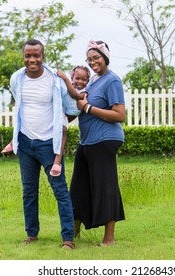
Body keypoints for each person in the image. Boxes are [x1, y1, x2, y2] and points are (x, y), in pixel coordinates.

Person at [9, 39, 80, 249]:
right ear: (23, 57)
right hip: (25, 142)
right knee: (29, 191)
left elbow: (71, 109)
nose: (32, 59)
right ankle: (32, 233)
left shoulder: (55, 80)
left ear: (43, 56)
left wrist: (60, 127)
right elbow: (20, 106)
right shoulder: (16, 79)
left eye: (36, 55)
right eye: (28, 55)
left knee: (60, 191)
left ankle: (68, 239)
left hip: (49, 144)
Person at [70, 39, 126, 246]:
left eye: (97, 58)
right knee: (78, 187)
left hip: (105, 140)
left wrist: (88, 108)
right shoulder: (92, 81)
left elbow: (119, 114)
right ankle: (72, 234)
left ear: (105, 58)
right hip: (87, 141)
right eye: (90, 59)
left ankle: (109, 239)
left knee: (105, 187)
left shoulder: (112, 81)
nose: (93, 62)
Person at [2, 67, 88, 177]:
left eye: (84, 79)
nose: (80, 82)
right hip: (58, 111)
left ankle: (57, 162)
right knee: (28, 121)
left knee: (63, 131)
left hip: (63, 114)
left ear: (87, 81)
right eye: (77, 78)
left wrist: (65, 79)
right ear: (73, 77)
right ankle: (13, 142)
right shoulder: (64, 84)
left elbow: (75, 96)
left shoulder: (84, 91)